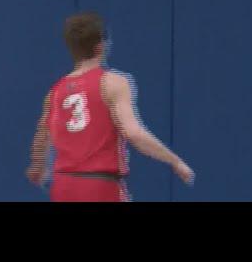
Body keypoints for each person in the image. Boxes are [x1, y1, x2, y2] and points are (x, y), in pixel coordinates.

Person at [26, 12, 194, 202]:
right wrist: (174, 160)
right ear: (101, 46)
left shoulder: (55, 91)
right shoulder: (112, 82)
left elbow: (41, 135)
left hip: (63, 186)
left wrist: (38, 166)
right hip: (99, 185)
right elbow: (133, 133)